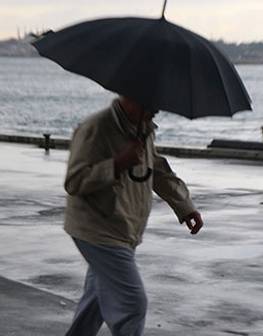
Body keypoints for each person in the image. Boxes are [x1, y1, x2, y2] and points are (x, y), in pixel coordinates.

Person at [63, 95, 203, 336]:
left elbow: (155, 169)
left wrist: (185, 205)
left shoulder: (142, 130)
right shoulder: (95, 128)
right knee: (132, 303)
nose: (156, 110)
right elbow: (74, 181)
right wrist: (117, 164)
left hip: (123, 227)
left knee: (95, 302)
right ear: (128, 98)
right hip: (98, 229)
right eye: (149, 104)